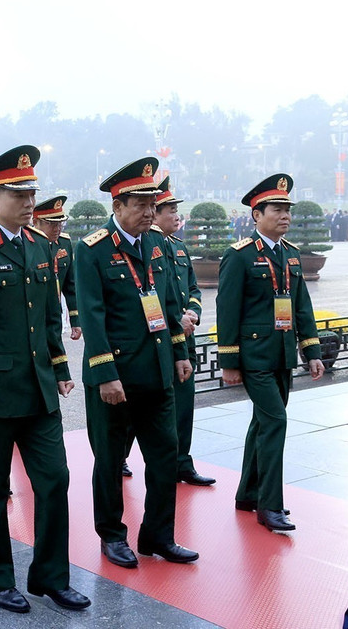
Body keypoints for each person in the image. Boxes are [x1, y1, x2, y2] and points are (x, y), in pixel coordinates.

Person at [0, 145, 88, 614]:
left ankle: (51, 577)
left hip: (39, 391)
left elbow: (49, 316)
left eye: (32, 192)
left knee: (55, 480)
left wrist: (60, 368)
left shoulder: (41, 247)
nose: (29, 202)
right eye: (18, 193)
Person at [75, 156, 197, 570]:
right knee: (109, 462)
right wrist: (106, 374)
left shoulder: (159, 245)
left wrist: (180, 354)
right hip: (116, 380)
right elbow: (92, 316)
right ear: (118, 207)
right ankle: (112, 536)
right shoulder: (91, 251)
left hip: (159, 373)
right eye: (139, 205)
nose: (149, 212)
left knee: (165, 456)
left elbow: (171, 304)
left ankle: (158, 535)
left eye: (152, 204)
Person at [217, 174, 324, 532]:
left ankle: (247, 494)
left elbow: (301, 307)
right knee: (275, 421)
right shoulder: (240, 256)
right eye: (277, 210)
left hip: (282, 354)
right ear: (256, 215)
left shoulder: (291, 255)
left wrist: (311, 351)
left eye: (287, 210)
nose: (285, 216)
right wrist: (229, 362)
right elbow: (227, 310)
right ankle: (269, 505)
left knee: (261, 423)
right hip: (253, 357)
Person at [150, 178, 215, 486]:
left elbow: (192, 288)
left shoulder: (178, 248)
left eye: (177, 210)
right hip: (156, 341)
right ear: (154, 213)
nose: (177, 216)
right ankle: (121, 454)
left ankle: (181, 462)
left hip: (184, 339)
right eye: (170, 210)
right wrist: (176, 319)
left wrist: (192, 312)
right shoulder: (148, 249)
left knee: (184, 403)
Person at [32, 196, 81, 341]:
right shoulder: (27, 245)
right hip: (34, 315)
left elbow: (70, 286)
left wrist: (75, 320)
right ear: (35, 222)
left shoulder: (64, 243)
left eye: (60, 223)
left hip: (55, 314)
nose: (57, 229)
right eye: (52, 224)